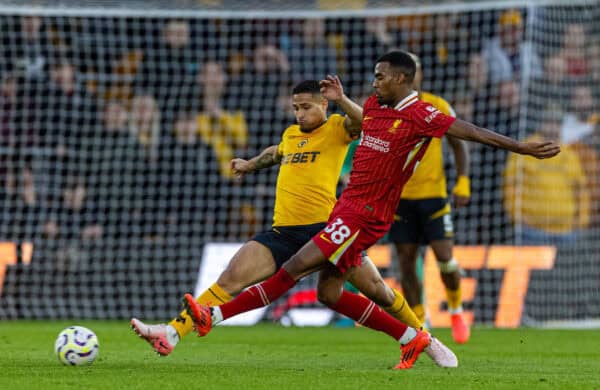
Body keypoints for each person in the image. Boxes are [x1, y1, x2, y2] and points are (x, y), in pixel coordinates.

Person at [181, 51, 559, 369]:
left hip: (368, 215)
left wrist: (521, 147)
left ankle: (212, 316)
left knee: (295, 267)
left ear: (400, 78)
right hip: (346, 208)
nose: (374, 81)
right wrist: (343, 99)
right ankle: (413, 337)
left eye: (380, 76)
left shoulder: (423, 115)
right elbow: (364, 119)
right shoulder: (377, 105)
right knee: (330, 294)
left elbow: (470, 132)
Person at [131, 80, 424, 359]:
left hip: (327, 232)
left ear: (324, 104)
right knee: (230, 279)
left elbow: (369, 124)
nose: (300, 113)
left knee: (378, 292)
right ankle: (171, 333)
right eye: (296, 108)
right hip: (282, 233)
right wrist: (250, 164)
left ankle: (423, 336)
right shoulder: (291, 134)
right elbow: (275, 153)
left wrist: (342, 99)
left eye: (307, 107)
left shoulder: (337, 127)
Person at [386, 53, 471, 343]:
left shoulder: (437, 105)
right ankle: (420, 324)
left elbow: (459, 145)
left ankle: (457, 310)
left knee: (445, 259)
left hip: (434, 197)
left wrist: (463, 181)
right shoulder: (387, 109)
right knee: (407, 264)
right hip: (400, 199)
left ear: (417, 74)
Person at [503, 108, 588, 245]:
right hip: (531, 231)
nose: (553, 126)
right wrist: (518, 217)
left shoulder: (570, 154)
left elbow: (581, 190)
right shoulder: (524, 149)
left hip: (566, 231)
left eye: (557, 123)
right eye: (549, 122)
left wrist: (581, 221)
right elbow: (511, 186)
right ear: (540, 124)